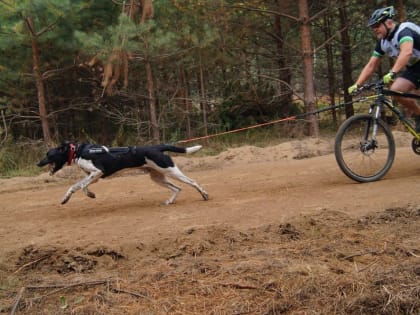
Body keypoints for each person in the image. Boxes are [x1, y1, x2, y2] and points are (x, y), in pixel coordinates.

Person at [348, 6, 420, 131]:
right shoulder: (383, 42)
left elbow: (406, 52)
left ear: (389, 23)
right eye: (373, 27)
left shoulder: (404, 31)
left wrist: (392, 72)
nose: (374, 29)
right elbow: (371, 65)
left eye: (377, 25)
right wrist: (358, 84)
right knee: (396, 90)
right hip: (416, 67)